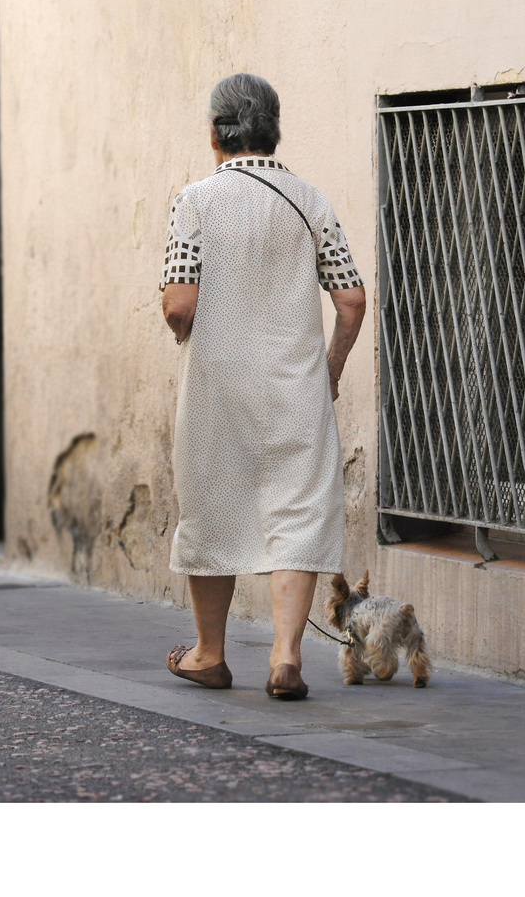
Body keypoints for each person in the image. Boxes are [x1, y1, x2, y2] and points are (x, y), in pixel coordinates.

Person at [159, 73, 366, 700]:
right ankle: (284, 658)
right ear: (273, 129)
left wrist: (184, 331)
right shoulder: (311, 200)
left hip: (218, 387)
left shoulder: (195, 201)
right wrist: (329, 370)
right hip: (296, 387)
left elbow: (178, 303)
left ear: (216, 132)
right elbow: (352, 301)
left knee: (211, 508)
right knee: (297, 513)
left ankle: (209, 655)